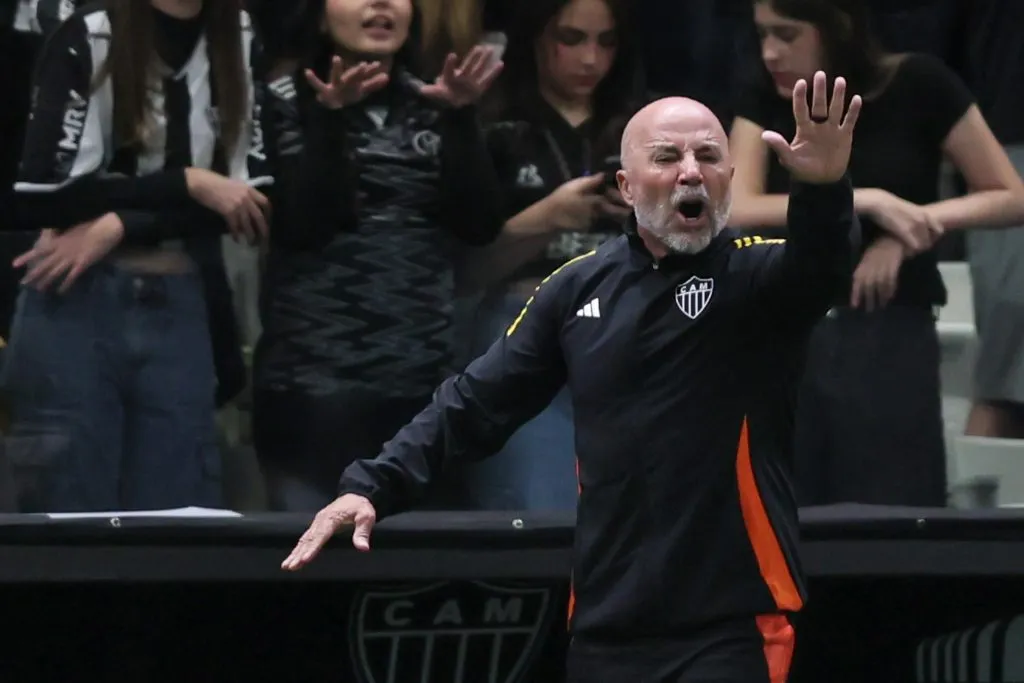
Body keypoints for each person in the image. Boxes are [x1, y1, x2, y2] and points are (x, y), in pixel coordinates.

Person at [283, 72, 862, 683]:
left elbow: (821, 267)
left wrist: (823, 186)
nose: (691, 171)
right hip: (608, 624)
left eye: (708, 156)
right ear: (626, 184)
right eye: (667, 157)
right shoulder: (575, 288)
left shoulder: (759, 277)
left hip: (733, 623)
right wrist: (371, 485)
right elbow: (474, 404)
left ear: (728, 177)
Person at [729, 0, 1024, 506]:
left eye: (786, 34)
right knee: (787, 512)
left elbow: (1010, 194)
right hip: (787, 332)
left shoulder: (919, 82)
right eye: (762, 36)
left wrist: (912, 229)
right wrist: (868, 201)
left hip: (888, 328)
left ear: (834, 27)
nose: (770, 52)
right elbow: (737, 208)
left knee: (893, 508)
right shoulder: (765, 93)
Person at [4, 0, 271, 511]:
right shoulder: (91, 32)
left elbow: (247, 201)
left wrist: (120, 222)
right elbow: (42, 193)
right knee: (68, 517)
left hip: (180, 300)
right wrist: (187, 182)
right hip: (74, 301)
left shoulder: (237, 34)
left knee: (178, 523)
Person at [251, 0, 505, 512]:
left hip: (422, 394)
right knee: (314, 572)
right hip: (313, 392)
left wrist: (460, 120)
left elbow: (479, 226)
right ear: (319, 15)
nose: (382, 3)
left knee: (418, 579)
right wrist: (329, 121)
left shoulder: (436, 99)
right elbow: (302, 226)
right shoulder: (279, 101)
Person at [455, 0, 644, 510]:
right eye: (571, 38)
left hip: (630, 324)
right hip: (523, 318)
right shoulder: (495, 127)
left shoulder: (640, 126)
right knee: (535, 508)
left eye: (606, 42)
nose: (590, 59)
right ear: (537, 38)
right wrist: (550, 216)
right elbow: (465, 272)